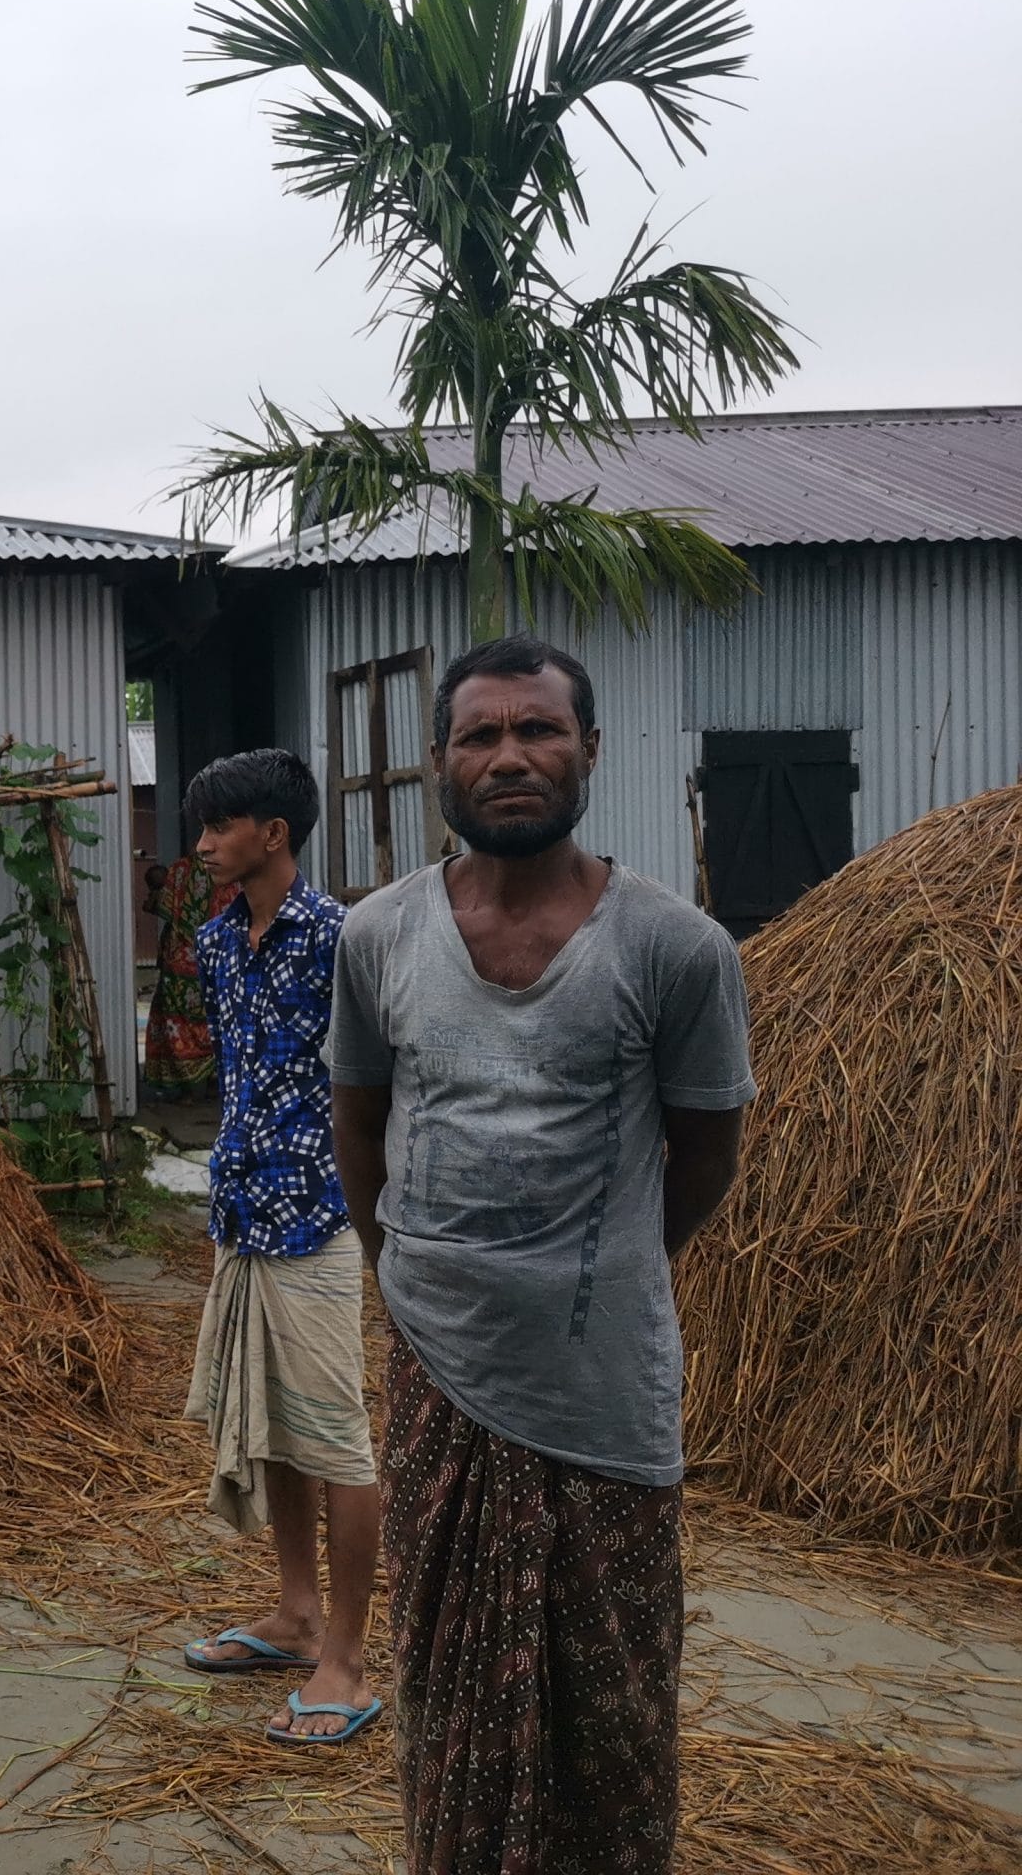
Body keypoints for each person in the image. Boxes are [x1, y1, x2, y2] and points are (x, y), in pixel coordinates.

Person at [326, 637, 754, 1872]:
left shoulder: (675, 950)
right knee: (452, 1695)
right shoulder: (382, 938)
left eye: (538, 730)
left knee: (610, 1708)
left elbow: (705, 1154)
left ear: (589, 751)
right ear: (439, 766)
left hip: (601, 1397)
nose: (509, 755)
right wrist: (403, 1280)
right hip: (439, 1381)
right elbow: (361, 1126)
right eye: (479, 735)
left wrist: (608, 1274)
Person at [176, 749, 381, 1747]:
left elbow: (381, 1079)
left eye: (219, 826)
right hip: (242, 1215)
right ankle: (295, 1617)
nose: (203, 843)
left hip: (317, 1218)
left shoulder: (343, 938)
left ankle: (346, 1654)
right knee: (275, 1431)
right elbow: (236, 1074)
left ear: (274, 834)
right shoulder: (216, 943)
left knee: (337, 1441)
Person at [142, 836, 241, 1099]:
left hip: (180, 964)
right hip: (219, 961)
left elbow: (155, 905)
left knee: (175, 1022)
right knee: (220, 1020)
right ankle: (214, 1081)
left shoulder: (179, 872)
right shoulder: (233, 870)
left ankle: (184, 1086)